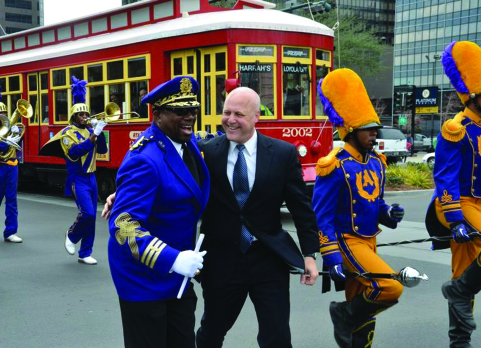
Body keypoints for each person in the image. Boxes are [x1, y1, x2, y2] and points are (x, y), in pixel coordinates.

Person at [195, 86, 319, 348]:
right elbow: (176, 186)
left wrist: (309, 254)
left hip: (268, 259)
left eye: (238, 114)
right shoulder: (207, 152)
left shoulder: (282, 154)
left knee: (276, 337)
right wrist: (122, 195)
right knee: (211, 333)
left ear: (256, 117)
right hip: (221, 261)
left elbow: (301, 208)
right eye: (226, 112)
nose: (230, 119)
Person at [104, 76, 210, 348]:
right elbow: (123, 226)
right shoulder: (144, 160)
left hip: (178, 276)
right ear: (159, 115)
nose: (189, 117)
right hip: (145, 280)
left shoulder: (186, 142)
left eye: (193, 110)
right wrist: (173, 260)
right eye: (180, 111)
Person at [313, 68, 405, 348]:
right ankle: (342, 314)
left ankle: (351, 327)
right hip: (347, 243)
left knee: (365, 304)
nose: (375, 133)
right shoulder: (334, 164)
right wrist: (331, 259)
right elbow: (322, 218)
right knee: (390, 287)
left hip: (371, 241)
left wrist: (389, 214)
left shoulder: (377, 162)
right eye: (368, 128)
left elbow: (375, 204)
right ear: (351, 130)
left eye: (375, 127)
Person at [425, 41, 481, 348]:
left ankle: (460, 341)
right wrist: (456, 218)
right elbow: (444, 178)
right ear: (473, 96)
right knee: (462, 279)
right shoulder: (455, 128)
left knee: (462, 276)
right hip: (460, 204)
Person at [39, 76, 107, 265]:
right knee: (88, 213)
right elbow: (75, 152)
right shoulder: (67, 133)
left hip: (92, 176)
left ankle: (85, 252)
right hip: (78, 178)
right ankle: (71, 234)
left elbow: (102, 151)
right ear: (74, 117)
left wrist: (100, 134)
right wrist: (93, 136)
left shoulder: (90, 130)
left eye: (87, 114)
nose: (86, 117)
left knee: (92, 217)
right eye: (82, 115)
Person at [0, 79, 23, 243]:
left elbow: (17, 145)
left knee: (12, 199)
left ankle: (10, 231)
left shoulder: (9, 125)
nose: (3, 117)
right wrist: (8, 139)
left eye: (4, 114)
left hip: (13, 166)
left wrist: (17, 136)